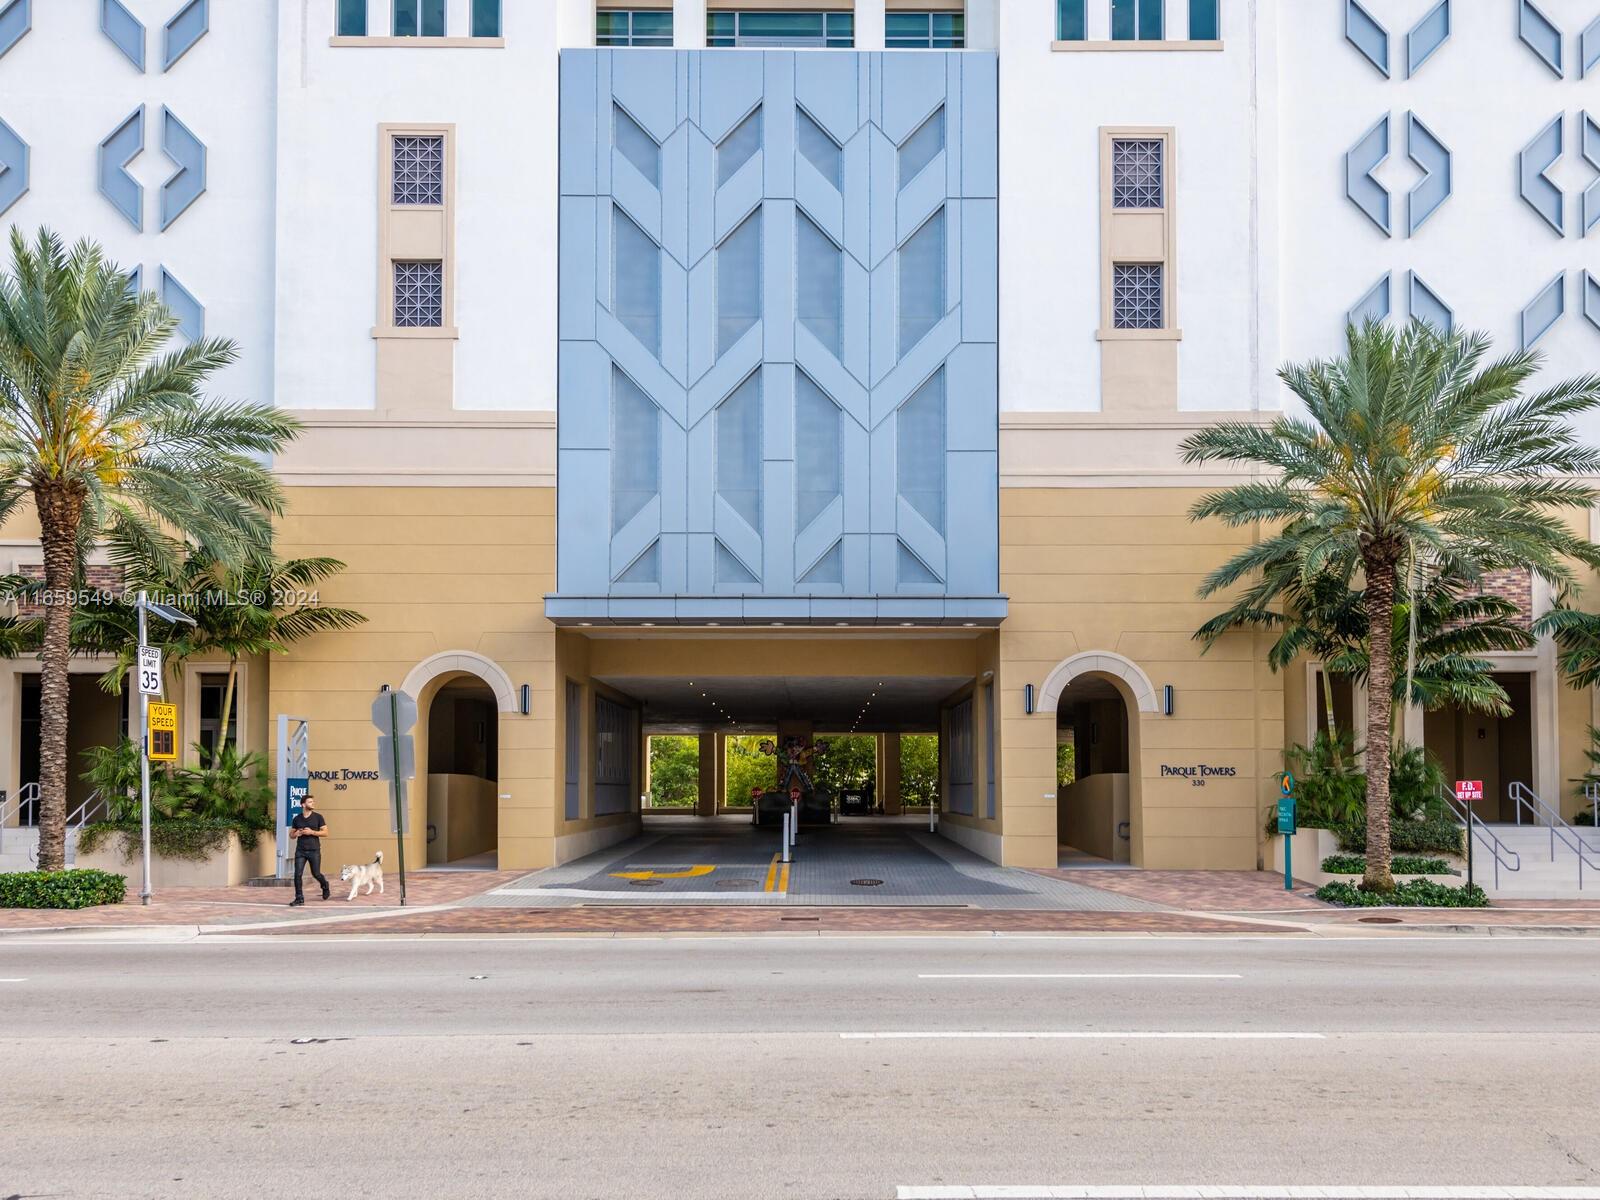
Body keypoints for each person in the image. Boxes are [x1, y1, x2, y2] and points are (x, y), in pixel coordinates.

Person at [288, 794, 330, 906]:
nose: (313, 803)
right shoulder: (297, 819)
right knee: (297, 874)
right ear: (303, 804)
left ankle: (325, 885)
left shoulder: (318, 817)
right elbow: (291, 835)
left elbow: (326, 832)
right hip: (300, 851)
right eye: (310, 802)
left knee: (316, 873)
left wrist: (312, 832)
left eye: (313, 801)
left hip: (314, 850)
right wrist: (297, 833)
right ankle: (299, 898)